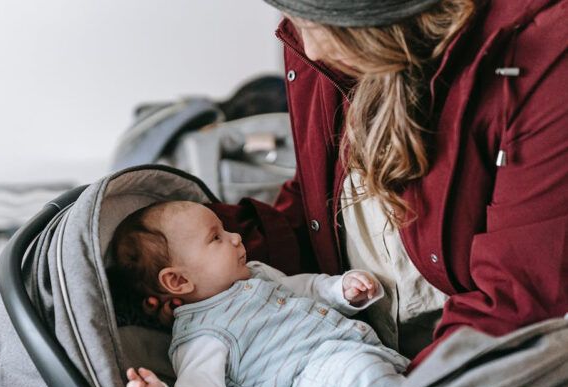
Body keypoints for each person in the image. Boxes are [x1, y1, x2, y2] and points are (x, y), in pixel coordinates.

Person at [146, 0, 568, 366]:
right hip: (358, 344)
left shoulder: (541, 54)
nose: (307, 48)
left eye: (313, 23)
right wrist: (189, 261)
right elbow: (321, 201)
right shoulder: (332, 42)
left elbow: (517, 299)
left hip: (453, 368)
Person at [113, 201, 409, 387]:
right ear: (178, 280)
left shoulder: (255, 273)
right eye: (216, 237)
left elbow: (303, 289)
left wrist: (341, 290)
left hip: (357, 354)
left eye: (226, 229)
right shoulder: (203, 337)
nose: (236, 237)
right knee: (373, 386)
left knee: (394, 384)